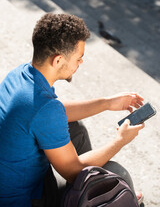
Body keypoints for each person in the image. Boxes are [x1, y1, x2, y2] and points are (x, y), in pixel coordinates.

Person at [0, 13, 144, 207]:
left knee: (76, 128)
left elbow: (55, 113)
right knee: (117, 172)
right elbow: (73, 171)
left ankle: (95, 193)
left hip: (15, 183)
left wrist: (107, 103)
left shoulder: (20, 75)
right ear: (58, 61)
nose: (80, 63)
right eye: (79, 58)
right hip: (28, 199)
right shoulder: (45, 108)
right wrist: (120, 141)